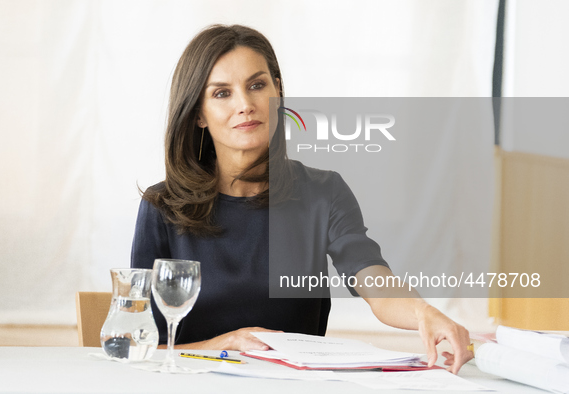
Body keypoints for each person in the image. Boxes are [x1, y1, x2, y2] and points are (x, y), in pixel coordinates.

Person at [131, 24, 474, 374]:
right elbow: (140, 345)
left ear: (277, 91)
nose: (246, 105)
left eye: (257, 85)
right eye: (222, 94)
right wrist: (223, 346)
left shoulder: (323, 192)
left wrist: (424, 313)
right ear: (199, 114)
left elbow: (374, 280)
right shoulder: (162, 207)